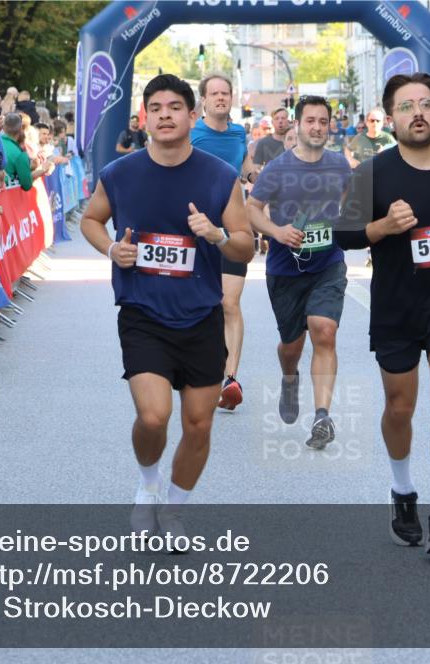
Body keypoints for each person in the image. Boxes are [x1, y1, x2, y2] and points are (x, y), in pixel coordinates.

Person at [79, 73, 254, 538]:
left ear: (192, 116)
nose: (164, 115)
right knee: (154, 416)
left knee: (198, 425)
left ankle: (174, 510)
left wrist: (216, 235)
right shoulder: (120, 174)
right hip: (143, 313)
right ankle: (147, 485)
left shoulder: (220, 177)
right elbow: (92, 220)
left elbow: (244, 245)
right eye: (155, 108)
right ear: (144, 117)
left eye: (174, 107)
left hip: (200, 315)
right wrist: (111, 249)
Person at [337, 72, 430, 558]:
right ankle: (403, 491)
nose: (417, 112)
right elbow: (344, 234)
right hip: (395, 305)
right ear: (391, 116)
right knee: (400, 408)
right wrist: (382, 226)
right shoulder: (373, 172)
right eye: (406, 106)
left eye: (425, 103)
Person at [246, 95, 350, 449]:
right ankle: (289, 378)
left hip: (328, 264)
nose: (317, 127)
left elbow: (353, 204)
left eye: (323, 121)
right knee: (291, 346)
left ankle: (322, 416)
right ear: (298, 124)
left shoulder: (340, 165)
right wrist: (275, 232)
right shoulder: (277, 168)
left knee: (324, 330)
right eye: (311, 121)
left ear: (329, 126)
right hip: (285, 269)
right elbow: (253, 209)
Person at [190, 73, 257, 411]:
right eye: (214, 93)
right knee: (205, 305)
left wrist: (259, 177)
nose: (220, 97)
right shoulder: (190, 133)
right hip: (195, 230)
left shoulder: (238, 133)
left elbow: (244, 167)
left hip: (233, 229)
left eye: (225, 93)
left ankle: (230, 379)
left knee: (229, 303)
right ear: (203, 99)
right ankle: (203, 370)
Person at [1, 112, 49, 190]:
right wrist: (42, 170)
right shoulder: (20, 154)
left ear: (4, 127)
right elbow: (26, 185)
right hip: (7, 197)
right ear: (21, 129)